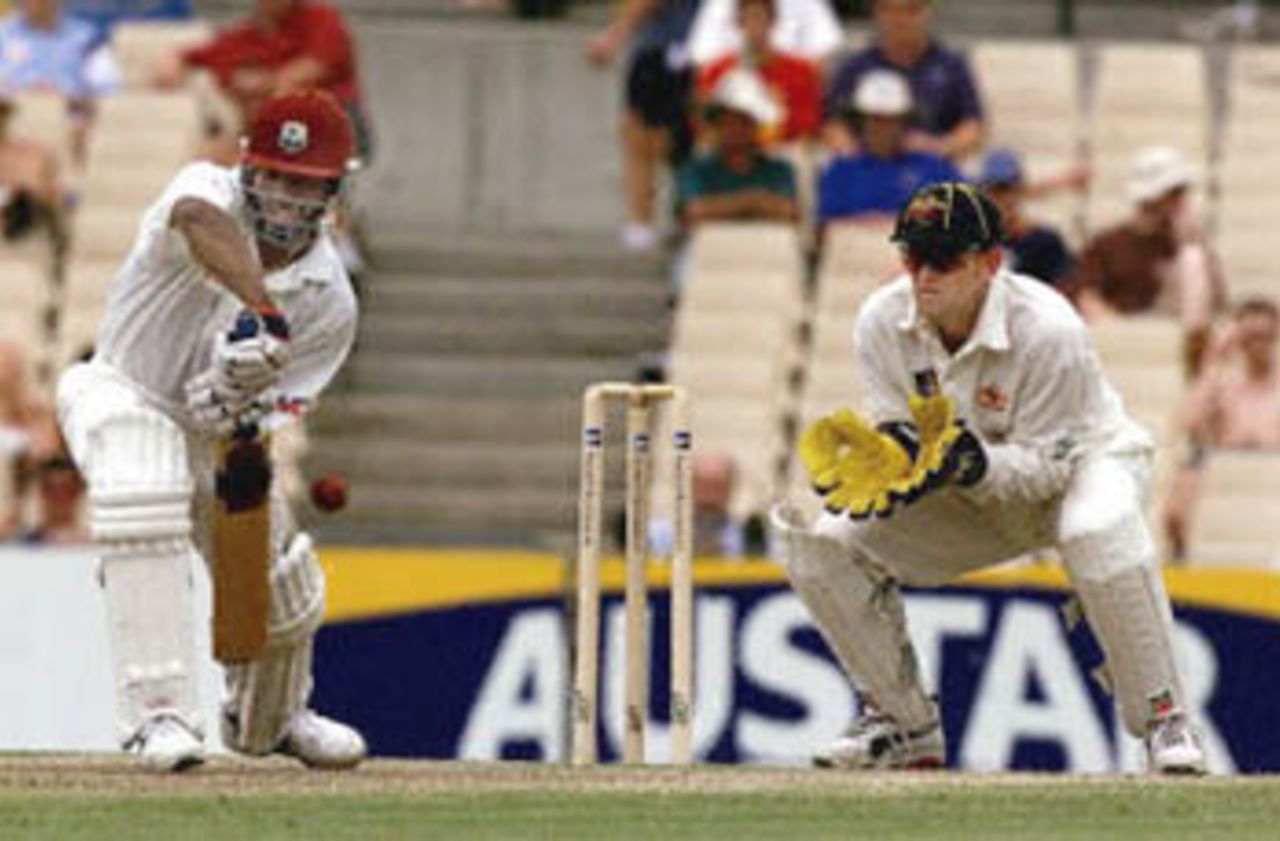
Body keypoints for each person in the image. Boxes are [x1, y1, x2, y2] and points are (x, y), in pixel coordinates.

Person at [771, 181, 1206, 774]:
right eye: (913, 258)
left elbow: (1052, 466)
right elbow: (900, 429)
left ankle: (1165, 720)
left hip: (1083, 464)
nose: (924, 276)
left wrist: (970, 461)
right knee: (825, 543)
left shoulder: (1050, 328)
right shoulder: (880, 321)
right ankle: (903, 725)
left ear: (989, 263)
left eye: (944, 261)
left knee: (1093, 528)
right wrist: (894, 458)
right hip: (975, 491)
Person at [55, 89, 365, 773]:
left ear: (333, 191)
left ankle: (272, 720)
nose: (286, 198)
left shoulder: (330, 300)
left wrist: (237, 400)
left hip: (213, 437)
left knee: (282, 573)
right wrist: (262, 312)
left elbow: (273, 416)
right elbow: (198, 222)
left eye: (305, 183)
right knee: (144, 477)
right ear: (249, 170)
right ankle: (158, 716)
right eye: (276, 177)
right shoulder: (203, 188)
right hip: (120, 390)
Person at [1067, 146, 1227, 376]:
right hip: (1121, 336)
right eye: (1173, 193)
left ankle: (1196, 370)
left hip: (1175, 330)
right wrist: (1127, 333)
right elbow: (1086, 295)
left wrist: (1190, 241)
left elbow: (1216, 300)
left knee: (1193, 261)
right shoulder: (1108, 242)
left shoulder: (1186, 244)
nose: (1180, 201)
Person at [1162, 297, 1280, 561]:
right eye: (1249, 337)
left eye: (1265, 336)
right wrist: (1214, 360)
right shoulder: (1223, 381)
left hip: (1274, 479)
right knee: (1185, 478)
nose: (1257, 344)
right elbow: (1185, 425)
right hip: (1224, 476)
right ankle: (1183, 564)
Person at [587, 0, 700, 252]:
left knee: (647, 139)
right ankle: (669, 219)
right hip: (678, 49)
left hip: (671, 51)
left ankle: (643, 222)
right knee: (671, 144)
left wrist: (615, 34)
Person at [822, 0, 984, 160]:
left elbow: (974, 126)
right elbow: (832, 123)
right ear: (876, 12)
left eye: (910, 9)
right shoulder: (854, 68)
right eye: (889, 10)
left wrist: (938, 147)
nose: (900, 19)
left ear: (926, 11)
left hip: (932, 170)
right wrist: (855, 154)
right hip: (868, 170)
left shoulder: (951, 66)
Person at [816, 69, 959, 227]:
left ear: (904, 121)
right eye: (875, 119)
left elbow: (962, 214)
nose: (882, 128)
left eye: (890, 120)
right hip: (857, 246)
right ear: (862, 121)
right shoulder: (841, 170)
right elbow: (827, 226)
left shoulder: (933, 167)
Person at [676, 68, 797, 229]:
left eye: (743, 122)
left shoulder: (779, 168)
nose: (735, 129)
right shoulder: (696, 169)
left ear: (756, 126)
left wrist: (723, 207)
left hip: (766, 250)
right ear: (716, 126)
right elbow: (695, 210)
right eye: (727, 122)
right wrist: (753, 201)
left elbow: (788, 211)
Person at [0, 0, 119, 164]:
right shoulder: (3, 34)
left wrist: (68, 95)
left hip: (67, 119)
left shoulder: (87, 38)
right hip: (12, 119)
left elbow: (108, 86)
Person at [695, 0, 823, 146]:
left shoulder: (801, 71)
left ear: (773, 22)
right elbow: (702, 123)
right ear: (738, 24)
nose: (754, 26)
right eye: (747, 19)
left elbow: (810, 128)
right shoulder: (716, 71)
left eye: (759, 18)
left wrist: (781, 112)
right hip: (729, 152)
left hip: (781, 150)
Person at [978, 147, 1074, 289]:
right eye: (996, 191)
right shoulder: (973, 243)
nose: (1005, 199)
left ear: (1020, 192)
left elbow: (1064, 291)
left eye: (1010, 190)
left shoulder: (1043, 242)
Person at [686, 0, 843, 71]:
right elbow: (702, 61)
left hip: (789, 90)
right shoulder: (717, 3)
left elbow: (824, 56)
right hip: (733, 88)